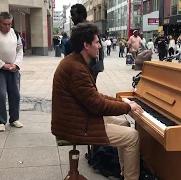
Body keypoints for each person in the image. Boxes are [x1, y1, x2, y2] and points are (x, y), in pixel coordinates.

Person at [51, 22, 143, 180]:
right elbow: (97, 104)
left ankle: (124, 173)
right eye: (96, 42)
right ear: (86, 45)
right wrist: (127, 108)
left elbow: (95, 96)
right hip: (75, 126)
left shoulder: (76, 61)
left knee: (125, 124)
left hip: (77, 118)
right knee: (132, 136)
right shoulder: (76, 68)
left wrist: (124, 103)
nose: (99, 46)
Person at [64, 4, 104, 82]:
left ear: (81, 15)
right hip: (76, 68)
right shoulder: (77, 30)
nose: (72, 18)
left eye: (73, 15)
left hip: (89, 68)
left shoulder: (89, 30)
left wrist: (95, 68)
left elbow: (99, 49)